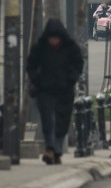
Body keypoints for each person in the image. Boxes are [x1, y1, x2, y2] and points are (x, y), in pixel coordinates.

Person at [27, 19, 83, 165]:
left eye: (56, 38)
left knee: (62, 120)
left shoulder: (71, 48)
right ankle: (50, 148)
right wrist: (36, 79)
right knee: (48, 119)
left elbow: (78, 64)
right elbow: (31, 65)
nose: (53, 41)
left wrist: (71, 78)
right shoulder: (40, 48)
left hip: (64, 90)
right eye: (51, 38)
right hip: (44, 90)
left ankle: (56, 149)